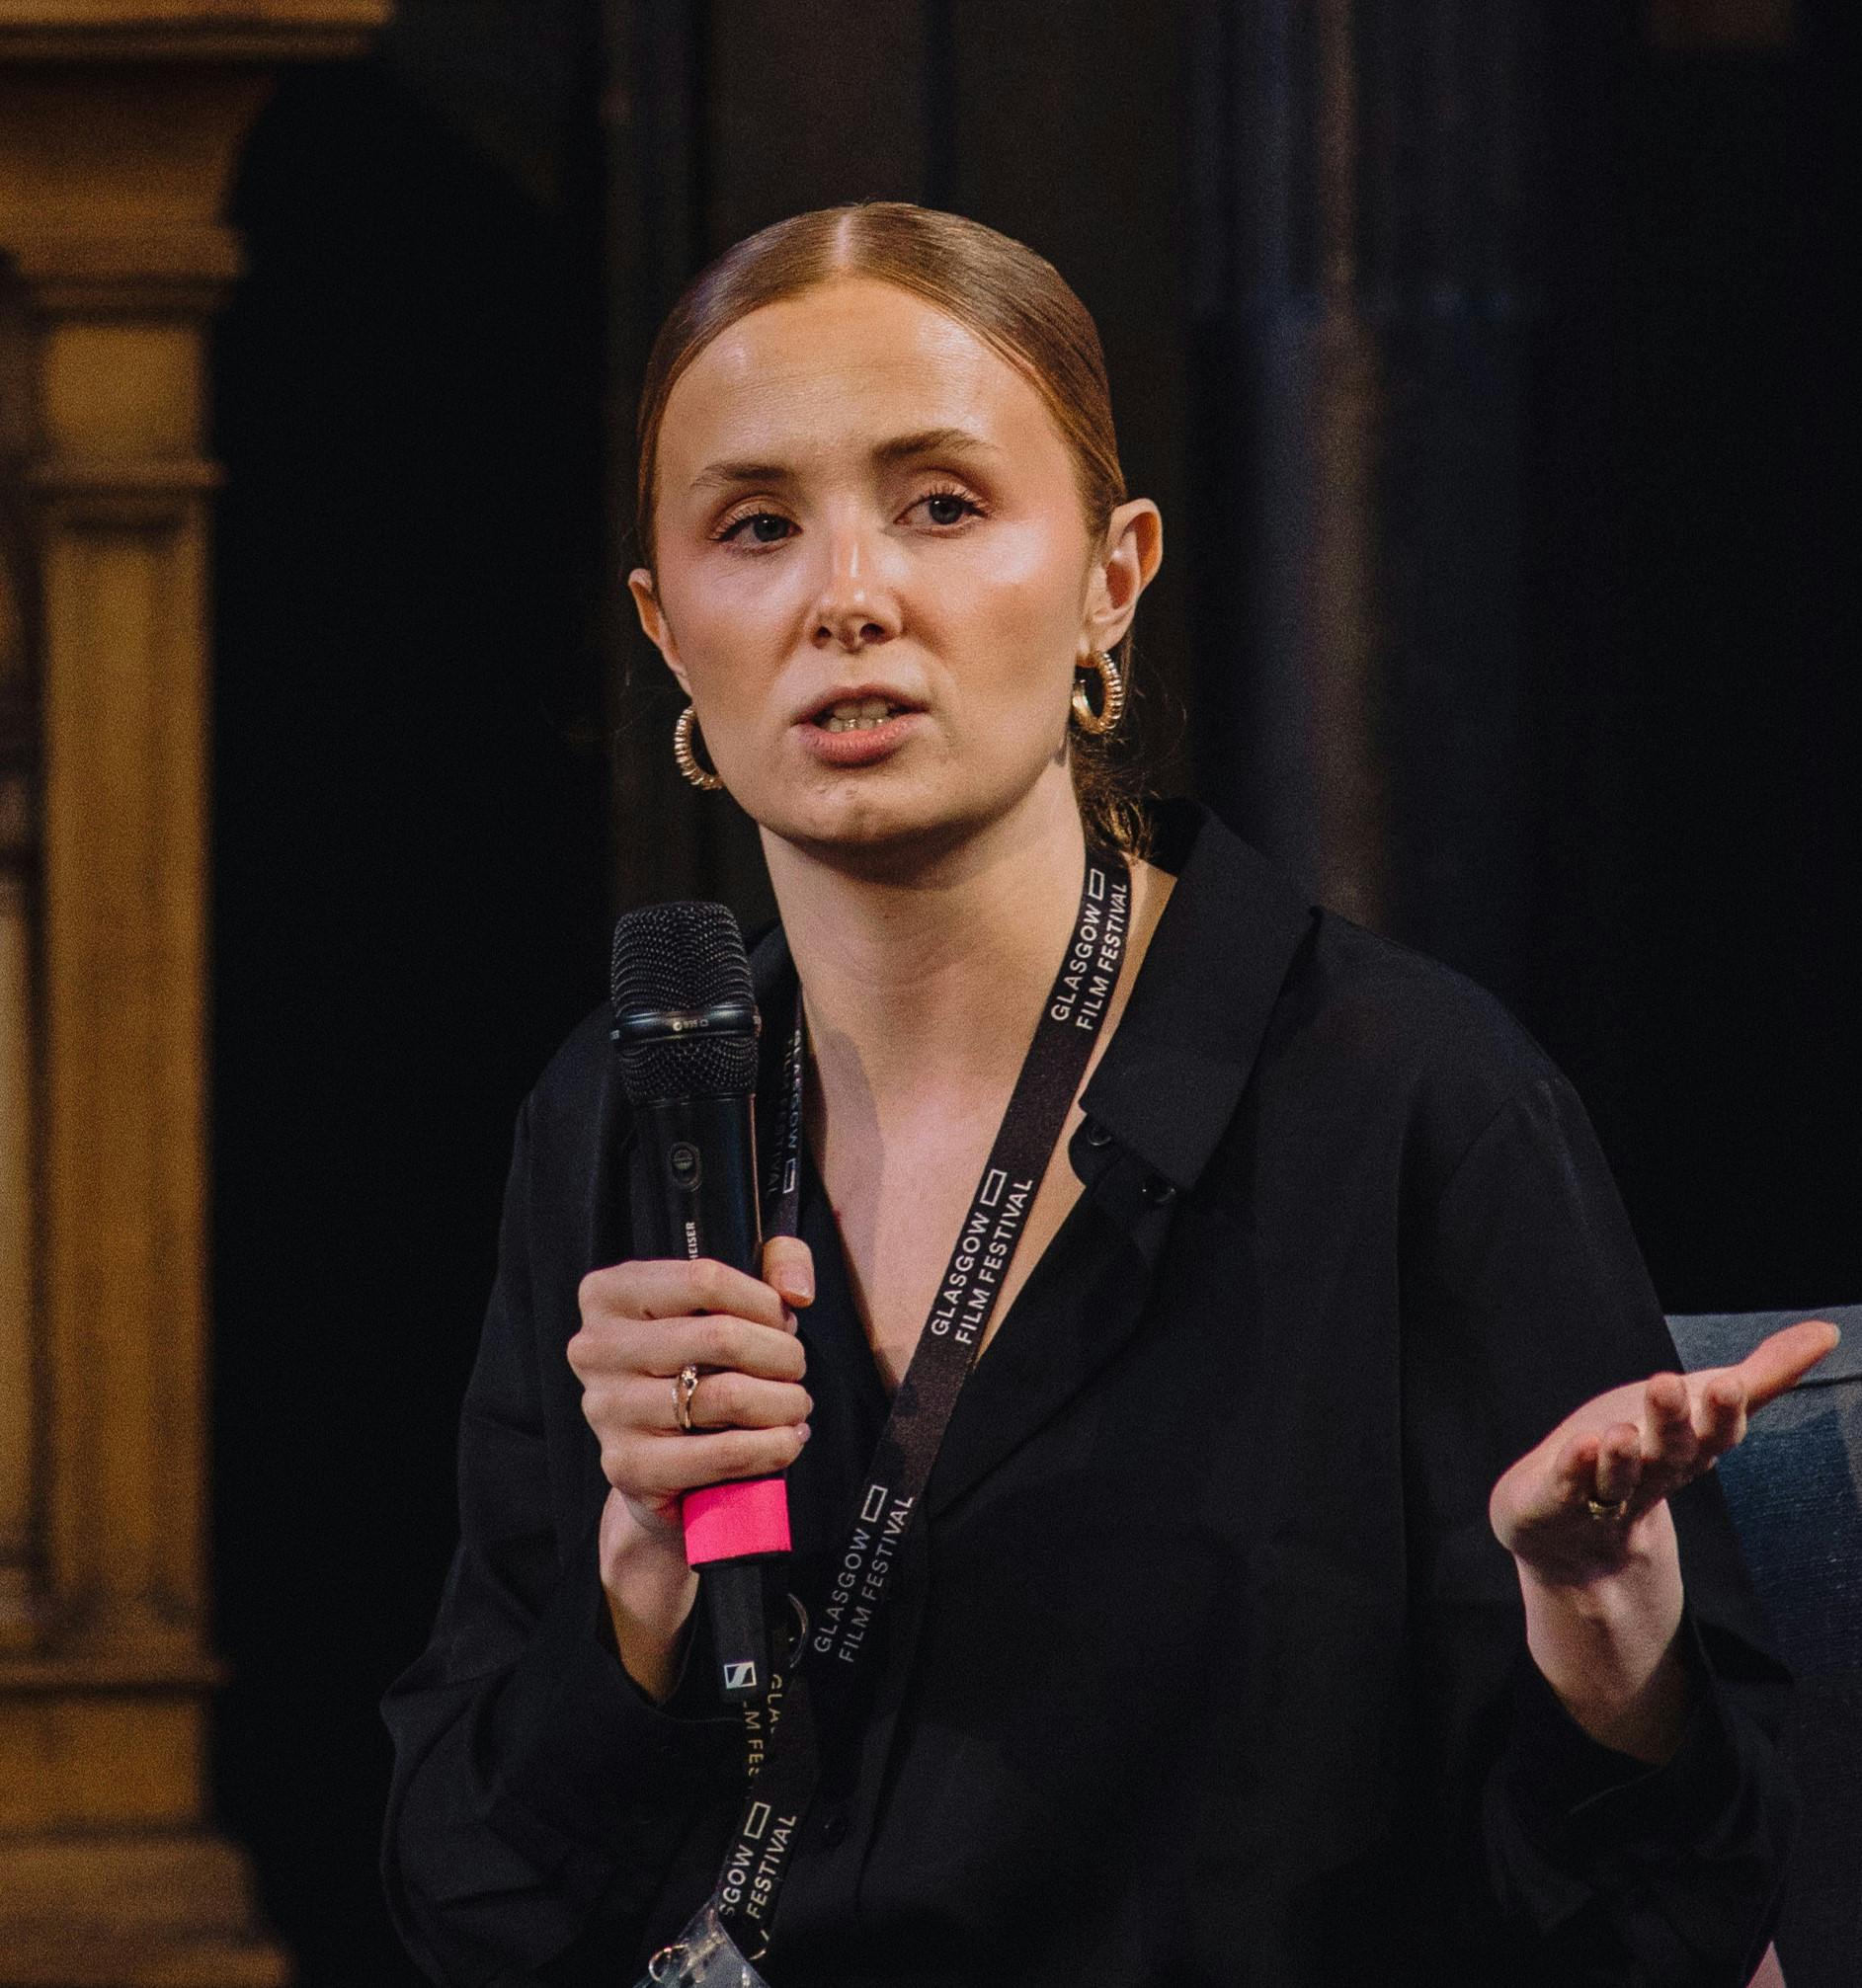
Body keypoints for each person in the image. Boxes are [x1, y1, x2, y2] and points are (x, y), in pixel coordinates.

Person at [378, 201, 1832, 1987]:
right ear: (668, 627)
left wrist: (1599, 1622)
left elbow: (1680, 1923)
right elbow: (467, 1904)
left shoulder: (1406, 1104)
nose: (849, 596)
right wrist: (634, 1602)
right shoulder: (620, 1113)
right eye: (755, 528)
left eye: (940, 505)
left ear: (1109, 577)